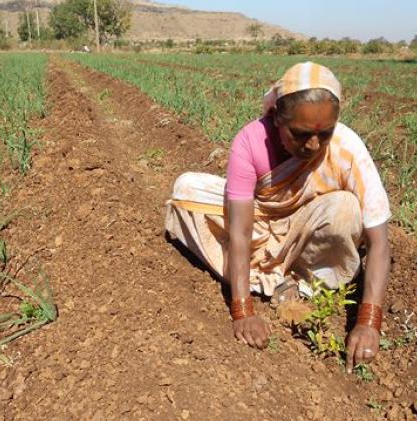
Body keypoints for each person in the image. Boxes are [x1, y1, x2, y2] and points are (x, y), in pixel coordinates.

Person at [165, 62, 391, 373]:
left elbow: (379, 242)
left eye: (324, 135)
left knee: (346, 209)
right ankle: (272, 281)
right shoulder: (250, 141)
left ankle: (303, 282)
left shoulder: (347, 147)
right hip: (259, 226)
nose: (313, 145)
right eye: (299, 135)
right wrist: (242, 310)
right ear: (275, 119)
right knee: (185, 191)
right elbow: (240, 232)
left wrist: (368, 321)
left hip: (308, 231)